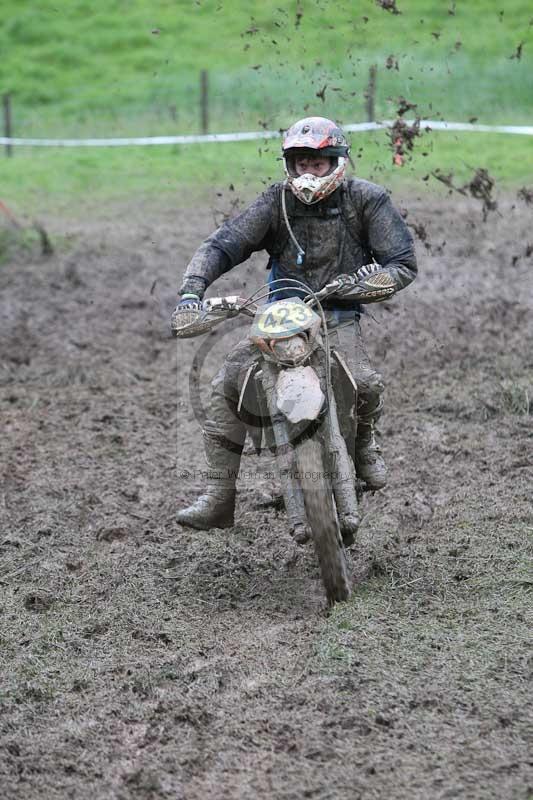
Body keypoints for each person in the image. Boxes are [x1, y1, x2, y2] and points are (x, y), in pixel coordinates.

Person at [173, 116, 417, 532]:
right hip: (280, 319)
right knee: (224, 388)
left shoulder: (366, 200)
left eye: (317, 163)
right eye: (301, 163)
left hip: (337, 314)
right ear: (290, 164)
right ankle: (218, 494)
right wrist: (191, 291)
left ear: (336, 162)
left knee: (365, 383)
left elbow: (402, 263)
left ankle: (364, 444)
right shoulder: (276, 201)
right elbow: (225, 244)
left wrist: (372, 282)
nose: (308, 172)